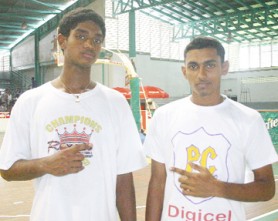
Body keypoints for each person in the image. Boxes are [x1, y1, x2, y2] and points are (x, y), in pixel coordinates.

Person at [0, 8, 147, 221]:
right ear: (62, 40)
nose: (89, 44)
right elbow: (7, 169)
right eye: (80, 36)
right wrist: (46, 164)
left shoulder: (115, 103)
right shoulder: (30, 101)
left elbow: (123, 179)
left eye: (97, 40)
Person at [143, 36, 278, 221]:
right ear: (184, 71)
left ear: (224, 67)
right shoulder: (164, 116)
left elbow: (267, 188)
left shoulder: (248, 120)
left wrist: (217, 188)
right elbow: (157, 183)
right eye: (193, 66)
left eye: (210, 65)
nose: (201, 75)